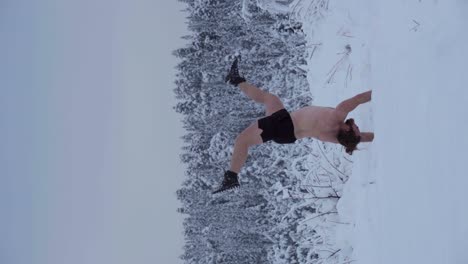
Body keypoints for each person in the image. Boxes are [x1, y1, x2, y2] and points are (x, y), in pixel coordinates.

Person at [212, 57, 374, 194]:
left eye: (356, 127)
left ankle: (231, 177)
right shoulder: (336, 138)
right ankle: (236, 80)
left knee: (242, 140)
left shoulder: (337, 116)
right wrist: (377, 136)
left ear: (347, 129)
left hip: (284, 125)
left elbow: (358, 99)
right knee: (270, 99)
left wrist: (379, 91)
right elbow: (360, 138)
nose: (357, 126)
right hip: (288, 133)